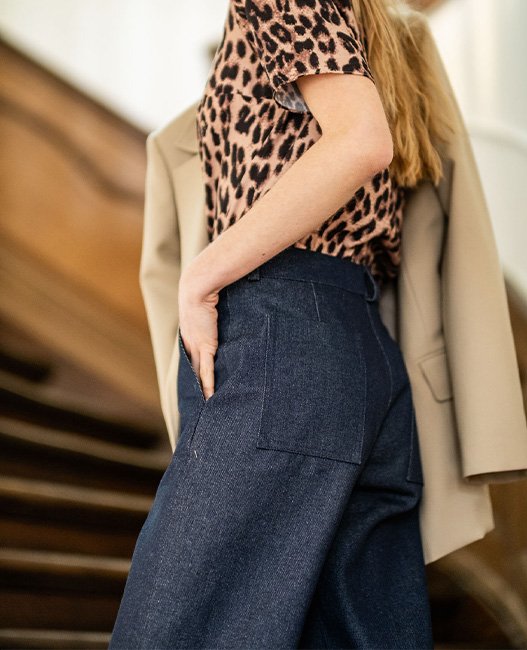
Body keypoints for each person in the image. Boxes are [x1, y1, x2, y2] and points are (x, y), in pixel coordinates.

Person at [109, 0, 458, 647]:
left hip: (280, 339)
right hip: (361, 350)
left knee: (175, 630)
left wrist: (201, 277)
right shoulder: (375, 26)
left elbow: (361, 141)